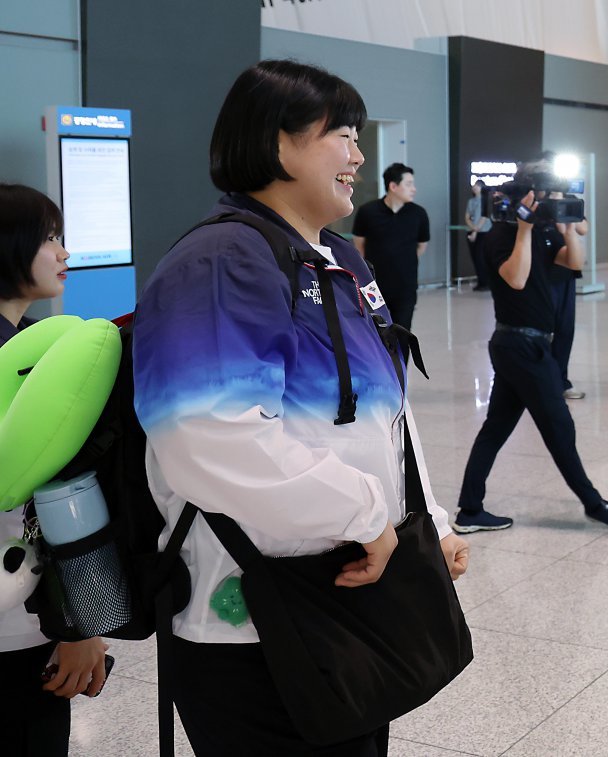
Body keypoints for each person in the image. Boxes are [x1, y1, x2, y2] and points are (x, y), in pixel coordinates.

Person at [132, 60, 469, 756]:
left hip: (342, 601)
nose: (359, 154)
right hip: (251, 622)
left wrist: (425, 521)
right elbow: (207, 435)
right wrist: (364, 513)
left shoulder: (338, 258)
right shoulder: (223, 260)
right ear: (280, 143)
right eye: (342, 134)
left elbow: (386, 413)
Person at [453, 159, 608, 534]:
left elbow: (573, 263)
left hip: (531, 346)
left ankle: (470, 510)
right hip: (518, 345)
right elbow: (516, 280)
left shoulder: (546, 230)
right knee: (559, 428)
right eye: (548, 196)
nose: (553, 202)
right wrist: (523, 229)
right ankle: (594, 503)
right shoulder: (501, 234)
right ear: (529, 196)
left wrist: (568, 228)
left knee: (496, 428)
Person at [0, 183, 109, 757]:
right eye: (50, 238)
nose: (64, 253)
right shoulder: (26, 368)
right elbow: (62, 500)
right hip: (19, 625)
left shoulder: (29, 345)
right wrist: (82, 624)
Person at [352, 162, 430, 331]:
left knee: (403, 333)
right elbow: (359, 246)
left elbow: (421, 247)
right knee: (375, 333)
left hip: (406, 286)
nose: (414, 189)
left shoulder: (419, 214)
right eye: (408, 184)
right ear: (393, 186)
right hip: (374, 287)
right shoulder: (368, 211)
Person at [549, 190, 587, 400]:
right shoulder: (535, 201)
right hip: (541, 273)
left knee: (565, 329)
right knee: (542, 331)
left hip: (565, 273)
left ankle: (561, 381)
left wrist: (561, 208)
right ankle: (542, 381)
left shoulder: (570, 200)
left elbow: (584, 228)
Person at [464, 179, 491, 291]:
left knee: (481, 257)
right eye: (474, 186)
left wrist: (476, 230)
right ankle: (480, 281)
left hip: (483, 232)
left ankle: (486, 282)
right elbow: (467, 216)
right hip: (472, 230)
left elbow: (484, 217)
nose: (474, 187)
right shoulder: (471, 201)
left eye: (477, 186)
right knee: (475, 257)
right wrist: (472, 228)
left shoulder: (486, 200)